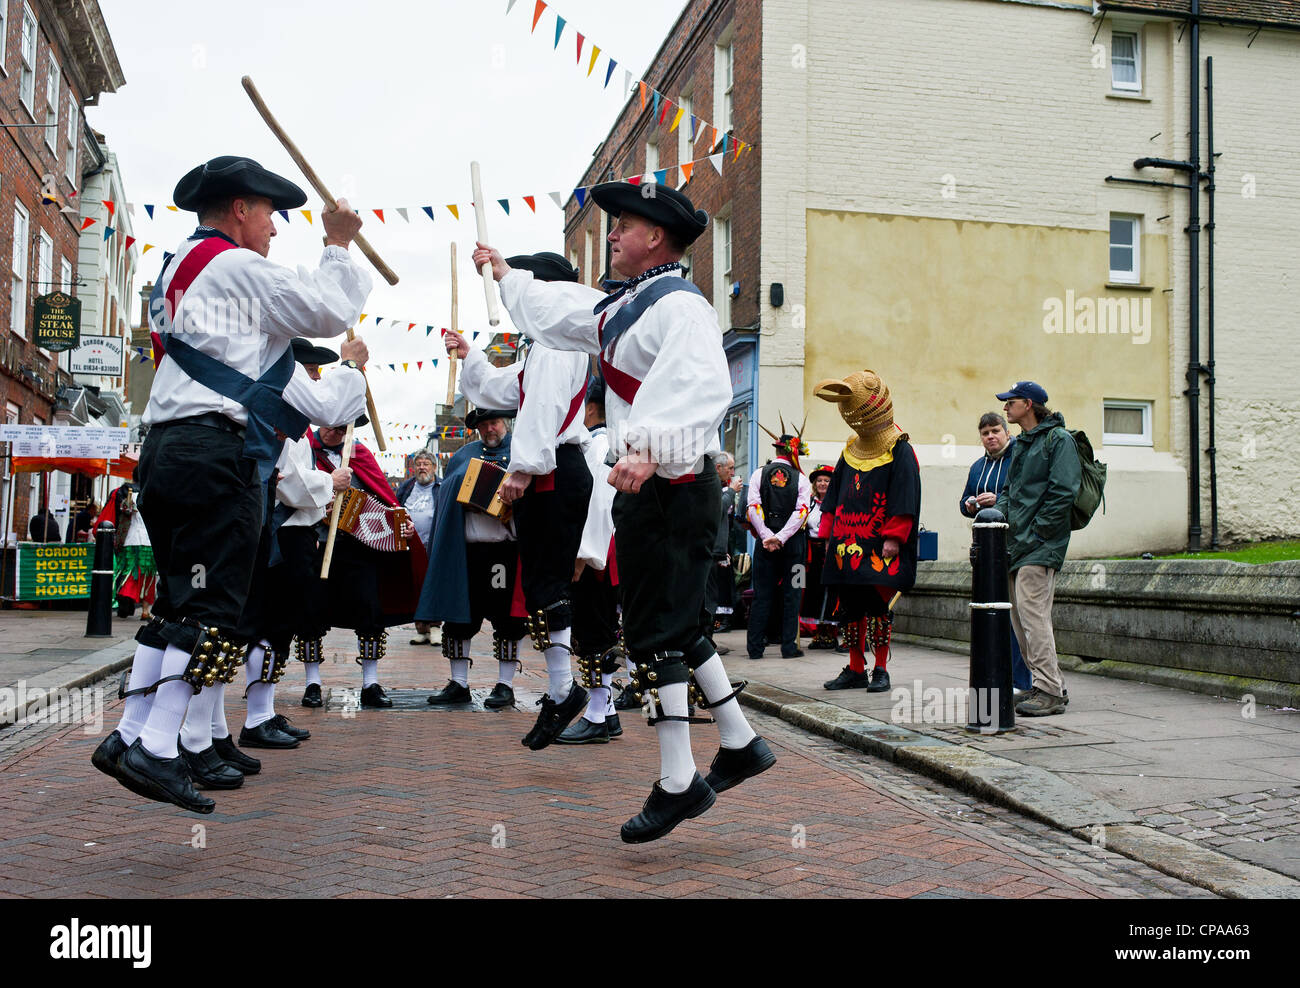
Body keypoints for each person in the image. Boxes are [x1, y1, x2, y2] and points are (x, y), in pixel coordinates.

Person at [475, 179, 774, 843]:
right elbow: (557, 314)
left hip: (667, 483)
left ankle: (677, 783)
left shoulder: (681, 308)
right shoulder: (625, 305)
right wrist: (505, 277)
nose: (611, 235)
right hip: (655, 486)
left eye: (623, 226)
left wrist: (645, 447)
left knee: (656, 634)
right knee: (676, 627)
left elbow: (703, 386)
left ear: (656, 238)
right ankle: (740, 742)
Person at [90, 154, 369, 813]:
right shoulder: (236, 266)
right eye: (270, 214)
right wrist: (336, 242)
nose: (275, 229)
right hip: (215, 454)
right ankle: (157, 748)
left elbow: (312, 386)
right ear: (240, 209)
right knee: (214, 611)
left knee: (178, 605)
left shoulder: (177, 270)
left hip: (168, 449)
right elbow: (329, 312)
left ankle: (129, 733)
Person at [177, 336, 368, 784]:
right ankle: (214, 730)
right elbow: (285, 481)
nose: (315, 378)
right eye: (310, 370)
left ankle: (229, 726)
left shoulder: (294, 425)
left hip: (287, 531)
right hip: (275, 530)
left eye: (320, 371)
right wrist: (330, 481)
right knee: (243, 625)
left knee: (271, 625)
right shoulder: (273, 415)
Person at [441, 251, 594, 750]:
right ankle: (560, 689)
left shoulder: (553, 344)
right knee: (540, 582)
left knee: (545, 583)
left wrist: (522, 470)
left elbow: (542, 409)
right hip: (555, 469)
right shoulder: (548, 345)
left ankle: (563, 689)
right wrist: (470, 356)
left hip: (553, 470)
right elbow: (504, 388)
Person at [307, 413, 426, 709]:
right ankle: (312, 683)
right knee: (311, 613)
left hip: (360, 548)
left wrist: (403, 523)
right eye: (331, 426)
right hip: (317, 544)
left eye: (342, 428)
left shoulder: (360, 454)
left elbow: (385, 499)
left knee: (370, 611)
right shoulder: (303, 450)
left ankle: (370, 684)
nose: (335, 433)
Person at [816, 370, 920, 693]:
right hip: (845, 545)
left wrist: (894, 536)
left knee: (878, 608)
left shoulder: (900, 450)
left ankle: (881, 669)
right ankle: (856, 667)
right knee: (849, 608)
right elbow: (835, 495)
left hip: (878, 545)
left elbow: (905, 495)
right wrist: (827, 532)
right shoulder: (850, 450)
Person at [418, 409, 528, 710]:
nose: (488, 430)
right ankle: (459, 683)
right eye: (482, 425)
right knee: (459, 615)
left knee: (507, 618)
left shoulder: (522, 453)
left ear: (504, 423)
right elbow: (449, 494)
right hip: (465, 549)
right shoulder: (463, 455)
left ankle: (505, 685)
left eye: (493, 423)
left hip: (502, 551)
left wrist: (508, 508)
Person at [993, 381, 1081, 717]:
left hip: (1041, 545)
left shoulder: (1059, 440)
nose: (1005, 408)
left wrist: (1040, 532)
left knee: (1033, 618)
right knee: (1020, 620)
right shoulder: (1023, 444)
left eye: (1010, 402)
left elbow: (1063, 492)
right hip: (1018, 543)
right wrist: (998, 514)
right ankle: (1048, 683)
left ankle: (1049, 691)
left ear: (1028, 404)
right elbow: (1009, 490)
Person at [557, 375, 626, 743]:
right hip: (597, 551)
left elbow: (598, 505)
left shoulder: (600, 446)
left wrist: (583, 557)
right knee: (591, 632)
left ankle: (599, 715)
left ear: (590, 407)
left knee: (593, 634)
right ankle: (608, 713)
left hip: (597, 554)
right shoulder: (597, 444)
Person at [959, 412, 1031, 693]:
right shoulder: (977, 466)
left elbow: (1023, 494)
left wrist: (998, 500)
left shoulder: (1018, 459)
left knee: (1016, 614)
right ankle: (997, 676)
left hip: (1014, 544)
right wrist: (970, 504)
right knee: (990, 613)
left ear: (1007, 432)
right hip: (984, 548)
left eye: (995, 431)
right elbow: (963, 500)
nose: (990, 436)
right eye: (985, 433)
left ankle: (1022, 680)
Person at [746, 428, 812, 661]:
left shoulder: (758, 474)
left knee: (761, 594)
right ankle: (788, 647)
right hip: (795, 548)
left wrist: (766, 536)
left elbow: (753, 507)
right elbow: (802, 512)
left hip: (764, 547)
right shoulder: (802, 479)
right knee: (794, 593)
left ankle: (755, 648)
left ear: (776, 449)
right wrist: (782, 537)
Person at [396, 449, 442, 647]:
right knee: (414, 586)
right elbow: (395, 509)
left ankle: (435, 628)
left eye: (426, 464)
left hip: (433, 545)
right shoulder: (406, 487)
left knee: (433, 586)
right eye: (419, 464)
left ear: (434, 467)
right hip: (410, 547)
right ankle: (421, 629)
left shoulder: (441, 487)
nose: (422, 467)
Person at [706, 452, 742, 652]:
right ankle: (706, 643)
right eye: (729, 468)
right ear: (718, 468)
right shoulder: (711, 485)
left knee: (715, 597)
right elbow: (716, 509)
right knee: (709, 599)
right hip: (709, 552)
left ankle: (708, 641)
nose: (732, 472)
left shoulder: (718, 486)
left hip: (716, 550)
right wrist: (731, 493)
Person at [802, 465, 839, 649]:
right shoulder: (809, 503)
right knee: (813, 591)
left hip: (830, 550)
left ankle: (831, 633)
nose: (822, 483)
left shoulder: (837, 503)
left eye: (826, 480)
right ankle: (818, 633)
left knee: (830, 591)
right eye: (819, 481)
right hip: (812, 553)